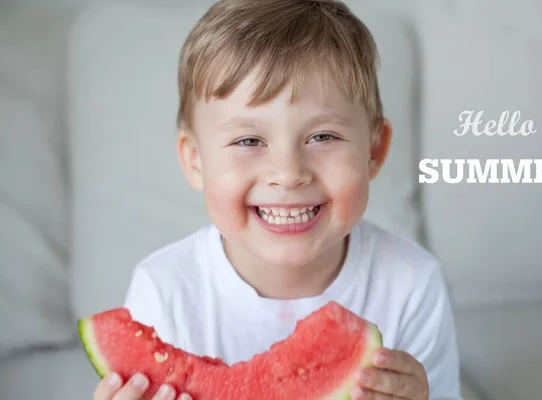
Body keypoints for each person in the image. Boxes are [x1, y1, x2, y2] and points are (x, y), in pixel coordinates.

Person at [93, 0, 461, 399]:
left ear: (374, 151)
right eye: (249, 140)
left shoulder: (411, 283)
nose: (288, 173)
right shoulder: (163, 289)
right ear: (195, 160)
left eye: (323, 137)